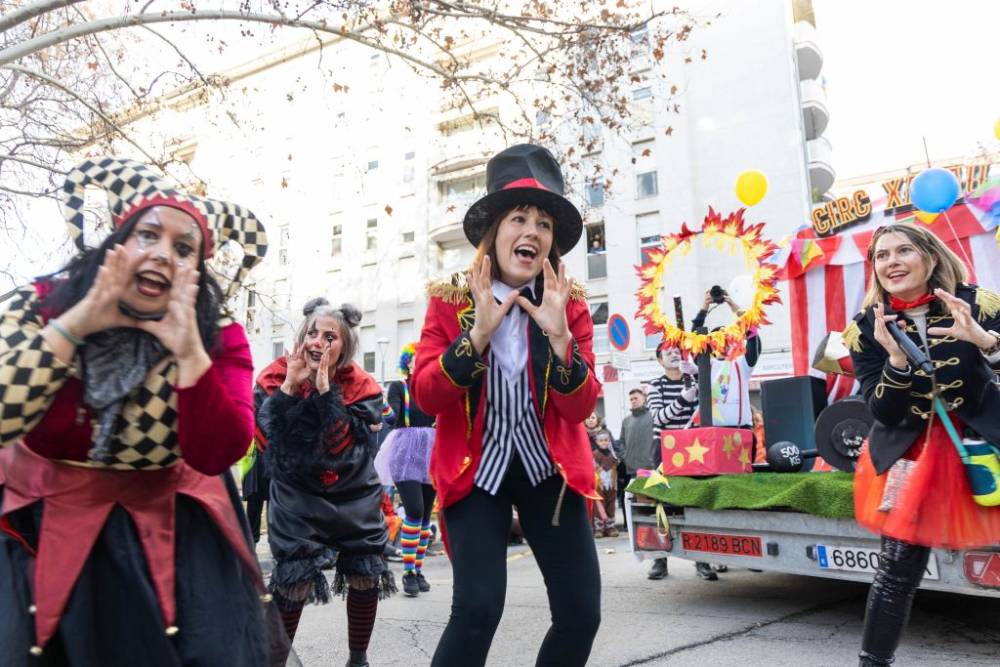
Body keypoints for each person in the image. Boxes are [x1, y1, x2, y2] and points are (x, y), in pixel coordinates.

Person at [0, 157, 283, 665]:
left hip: (172, 533)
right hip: (44, 527)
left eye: (182, 249)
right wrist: (78, 322)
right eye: (148, 236)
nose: (162, 255)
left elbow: (220, 451)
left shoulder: (218, 336)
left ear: (196, 272)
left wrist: (190, 355)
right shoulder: (39, 303)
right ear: (117, 245)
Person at [412, 143, 602, 667]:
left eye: (543, 223)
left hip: (549, 474)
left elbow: (580, 410)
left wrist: (562, 342)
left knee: (581, 614)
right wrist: (476, 336)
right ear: (494, 232)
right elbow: (425, 396)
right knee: (476, 608)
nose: (532, 232)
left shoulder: (570, 303)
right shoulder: (450, 301)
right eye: (519, 218)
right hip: (477, 474)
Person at [844, 222, 1000, 667]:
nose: (891, 262)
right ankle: (873, 663)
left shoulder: (977, 304)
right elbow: (884, 411)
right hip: (909, 456)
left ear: (930, 256)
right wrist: (895, 359)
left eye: (904, 251)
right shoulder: (865, 328)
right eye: (881, 255)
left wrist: (985, 342)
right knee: (896, 571)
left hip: (982, 441)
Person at [254, 299, 395, 667]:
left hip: (353, 492)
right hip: (297, 493)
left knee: (365, 573)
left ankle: (357, 659)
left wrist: (323, 393)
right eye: (312, 333)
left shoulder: (361, 387)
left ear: (344, 347)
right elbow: (270, 445)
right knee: (293, 580)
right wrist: (289, 389)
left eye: (329, 336)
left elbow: (339, 449)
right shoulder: (275, 376)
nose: (318, 342)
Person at [373, 342, 438, 597]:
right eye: (415, 358)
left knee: (424, 517)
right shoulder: (399, 387)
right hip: (406, 452)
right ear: (408, 363)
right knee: (414, 510)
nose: (419, 361)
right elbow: (391, 418)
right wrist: (382, 403)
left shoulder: (433, 389)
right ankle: (408, 573)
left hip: (431, 454)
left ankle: (418, 570)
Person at [644, 344, 699, 580]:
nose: (675, 354)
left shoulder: (695, 379)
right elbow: (658, 417)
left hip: (694, 448)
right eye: (668, 353)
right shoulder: (655, 386)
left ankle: (702, 559)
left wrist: (697, 377)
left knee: (696, 501)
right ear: (659, 360)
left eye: (677, 351)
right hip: (664, 449)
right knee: (660, 503)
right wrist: (683, 400)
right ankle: (659, 559)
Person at [591, 429, 619, 538]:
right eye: (601, 440)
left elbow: (616, 466)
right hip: (599, 484)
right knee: (599, 505)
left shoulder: (613, 455)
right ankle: (598, 528)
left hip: (612, 484)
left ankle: (610, 527)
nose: (604, 442)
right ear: (597, 442)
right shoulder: (594, 454)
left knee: (611, 505)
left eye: (606, 440)